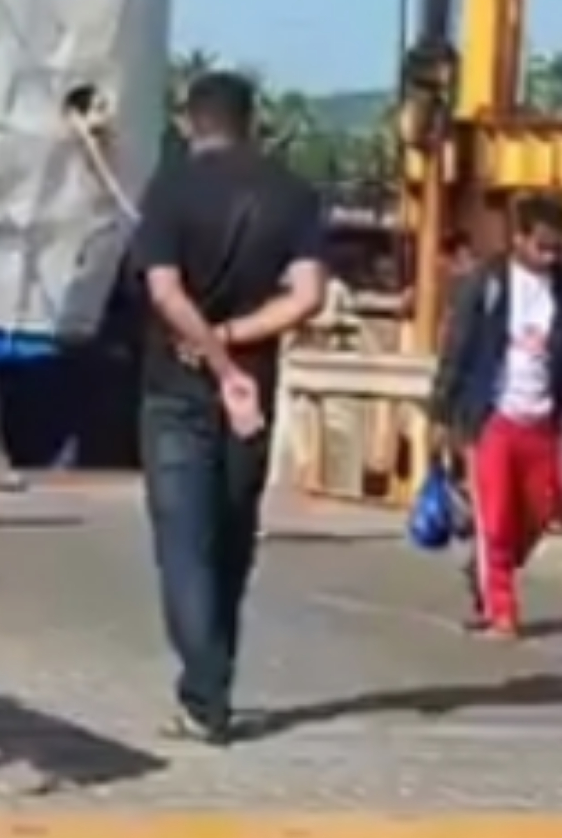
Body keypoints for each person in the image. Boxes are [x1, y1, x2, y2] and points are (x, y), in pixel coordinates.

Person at [126, 70, 332, 745]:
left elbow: (163, 290)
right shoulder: (294, 194)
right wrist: (236, 345)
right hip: (254, 387)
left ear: (190, 121)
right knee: (231, 539)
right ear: (252, 120)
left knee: (183, 544)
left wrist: (206, 350)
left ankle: (205, 694)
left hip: (175, 388)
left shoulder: (170, 186)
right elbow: (305, 296)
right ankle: (211, 686)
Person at [429, 197, 562, 638]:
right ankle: (502, 612)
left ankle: (487, 570)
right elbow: (458, 346)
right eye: (542, 247)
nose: (550, 257)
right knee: (496, 516)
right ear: (519, 240)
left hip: (544, 416)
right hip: (494, 415)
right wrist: (442, 410)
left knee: (543, 508)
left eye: (557, 249)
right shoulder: (488, 282)